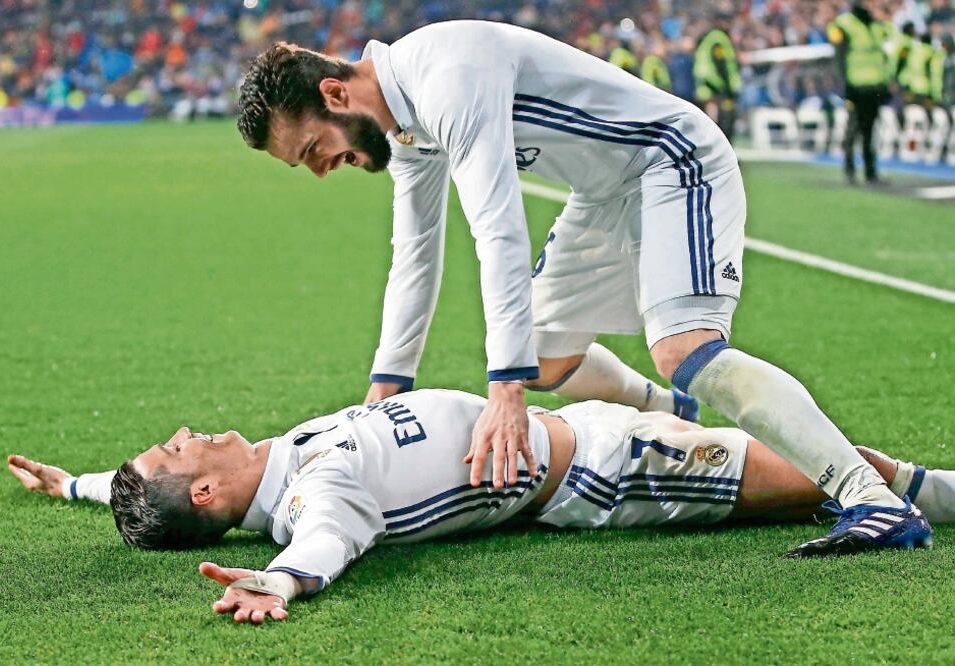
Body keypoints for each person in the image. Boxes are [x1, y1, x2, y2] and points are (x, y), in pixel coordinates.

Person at [234, 20, 931, 556]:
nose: (324, 169)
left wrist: (504, 393)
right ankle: (679, 411)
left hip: (669, 157)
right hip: (606, 192)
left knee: (684, 346)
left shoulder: (444, 73)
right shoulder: (406, 127)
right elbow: (414, 258)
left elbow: (498, 231)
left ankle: (871, 499)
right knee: (542, 352)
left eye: (312, 151)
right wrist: (383, 393)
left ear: (335, 94)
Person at [9, 389, 946, 624]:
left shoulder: (269, 460)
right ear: (209, 495)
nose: (182, 432)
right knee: (829, 474)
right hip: (614, 471)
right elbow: (333, 539)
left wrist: (83, 486)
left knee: (822, 465)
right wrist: (287, 582)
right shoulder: (310, 495)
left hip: (576, 428)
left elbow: (156, 497)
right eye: (175, 452)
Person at [828, 3, 893, 184]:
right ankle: (849, 170)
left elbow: (880, 58)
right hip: (855, 88)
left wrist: (885, 84)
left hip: (874, 88)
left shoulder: (876, 25)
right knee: (853, 129)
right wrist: (844, 86)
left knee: (870, 132)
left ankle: (870, 171)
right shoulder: (845, 24)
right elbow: (839, 57)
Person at [693, 13, 741, 139]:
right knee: (720, 122)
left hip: (705, 83)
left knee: (710, 120)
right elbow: (720, 63)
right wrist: (727, 87)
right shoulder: (719, 38)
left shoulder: (709, 37)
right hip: (714, 84)